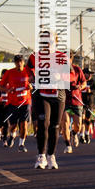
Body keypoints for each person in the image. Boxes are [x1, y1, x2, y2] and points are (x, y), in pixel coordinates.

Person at [27, 38, 68, 170]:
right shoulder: (35, 56)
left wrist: (60, 77)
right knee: (43, 123)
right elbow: (28, 69)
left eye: (49, 42)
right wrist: (32, 77)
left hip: (58, 94)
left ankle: (51, 155)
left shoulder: (61, 57)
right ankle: (41, 156)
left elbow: (70, 76)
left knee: (55, 126)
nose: (46, 45)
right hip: (41, 94)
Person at [1, 55, 32, 152]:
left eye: (20, 61)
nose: (19, 63)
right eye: (17, 62)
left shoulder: (28, 71)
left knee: (24, 124)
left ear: (23, 62)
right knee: (13, 125)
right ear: (14, 63)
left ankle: (21, 144)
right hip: (13, 103)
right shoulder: (9, 73)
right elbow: (1, 86)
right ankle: (12, 135)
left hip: (25, 102)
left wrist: (31, 86)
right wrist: (8, 90)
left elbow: (36, 82)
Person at [64, 53, 87, 152]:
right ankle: (68, 145)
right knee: (65, 123)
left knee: (78, 125)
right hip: (64, 100)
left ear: (71, 60)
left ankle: (74, 133)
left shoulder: (77, 69)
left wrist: (80, 87)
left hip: (76, 100)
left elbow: (84, 82)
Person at [81, 67, 95, 142]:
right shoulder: (80, 81)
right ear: (84, 74)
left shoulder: (92, 81)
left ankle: (87, 134)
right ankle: (81, 135)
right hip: (81, 102)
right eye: (89, 74)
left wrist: (91, 90)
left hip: (89, 103)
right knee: (82, 118)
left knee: (87, 119)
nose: (90, 75)